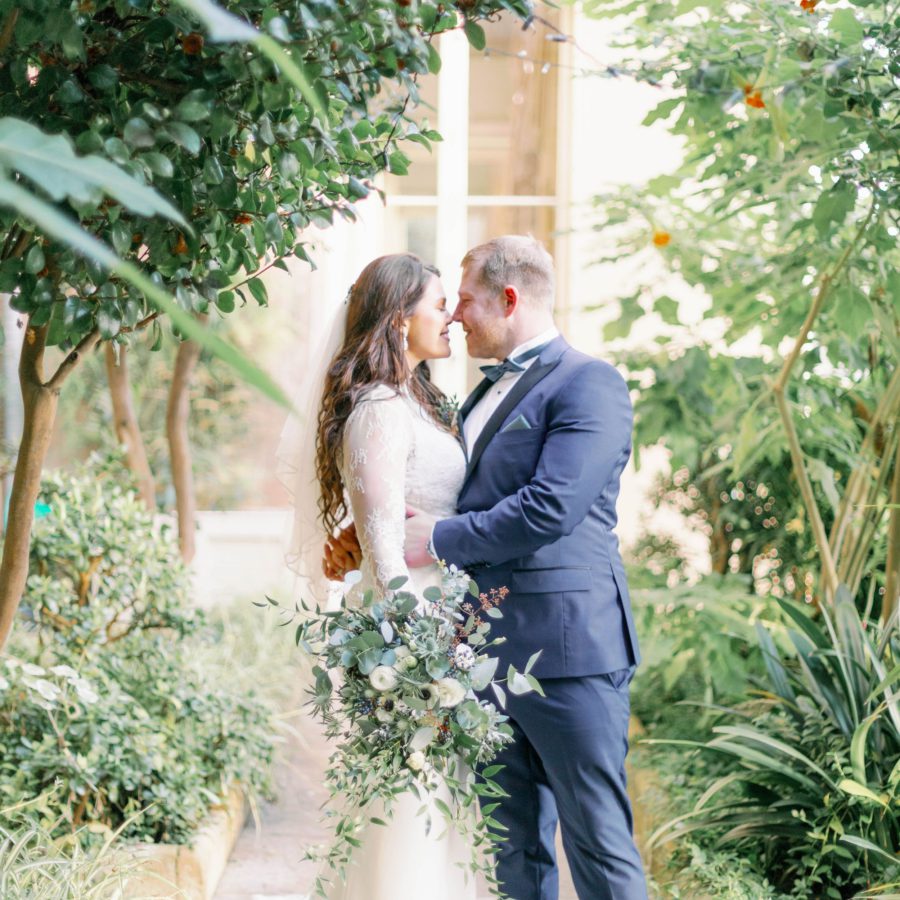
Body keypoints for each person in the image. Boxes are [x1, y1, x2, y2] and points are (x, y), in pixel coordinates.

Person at [325, 236, 647, 900]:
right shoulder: (466, 401)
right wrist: (364, 535)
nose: (454, 318)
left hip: (567, 653)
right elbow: (438, 491)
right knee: (512, 852)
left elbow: (549, 508)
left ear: (508, 298)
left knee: (597, 844)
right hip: (478, 659)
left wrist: (433, 541)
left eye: (463, 302)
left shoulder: (590, 382)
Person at [285, 252, 474, 900]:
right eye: (439, 304)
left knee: (433, 802)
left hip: (443, 618)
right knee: (408, 802)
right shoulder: (380, 411)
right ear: (399, 320)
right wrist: (425, 653)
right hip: (409, 632)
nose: (451, 317)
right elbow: (385, 549)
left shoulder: (417, 402)